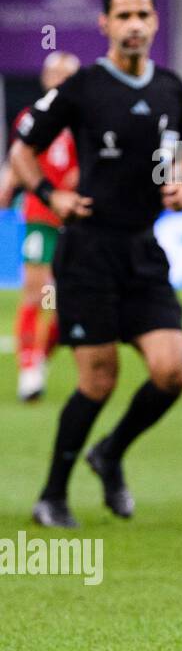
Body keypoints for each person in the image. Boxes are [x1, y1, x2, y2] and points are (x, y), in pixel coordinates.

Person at [10, 0, 182, 528]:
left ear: (155, 21)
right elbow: (23, 150)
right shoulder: (84, 87)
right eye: (123, 16)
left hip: (142, 250)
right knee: (98, 380)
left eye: (143, 14)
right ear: (106, 25)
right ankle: (52, 494)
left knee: (172, 371)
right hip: (88, 252)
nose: (134, 25)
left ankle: (109, 453)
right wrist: (50, 195)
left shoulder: (171, 89)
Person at [0, 52, 80, 401]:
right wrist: (7, 185)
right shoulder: (31, 117)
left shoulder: (86, 121)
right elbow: (19, 158)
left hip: (76, 221)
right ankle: (29, 368)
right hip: (39, 216)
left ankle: (41, 358)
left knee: (69, 307)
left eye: (66, 75)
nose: (58, 79)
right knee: (35, 291)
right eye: (53, 73)